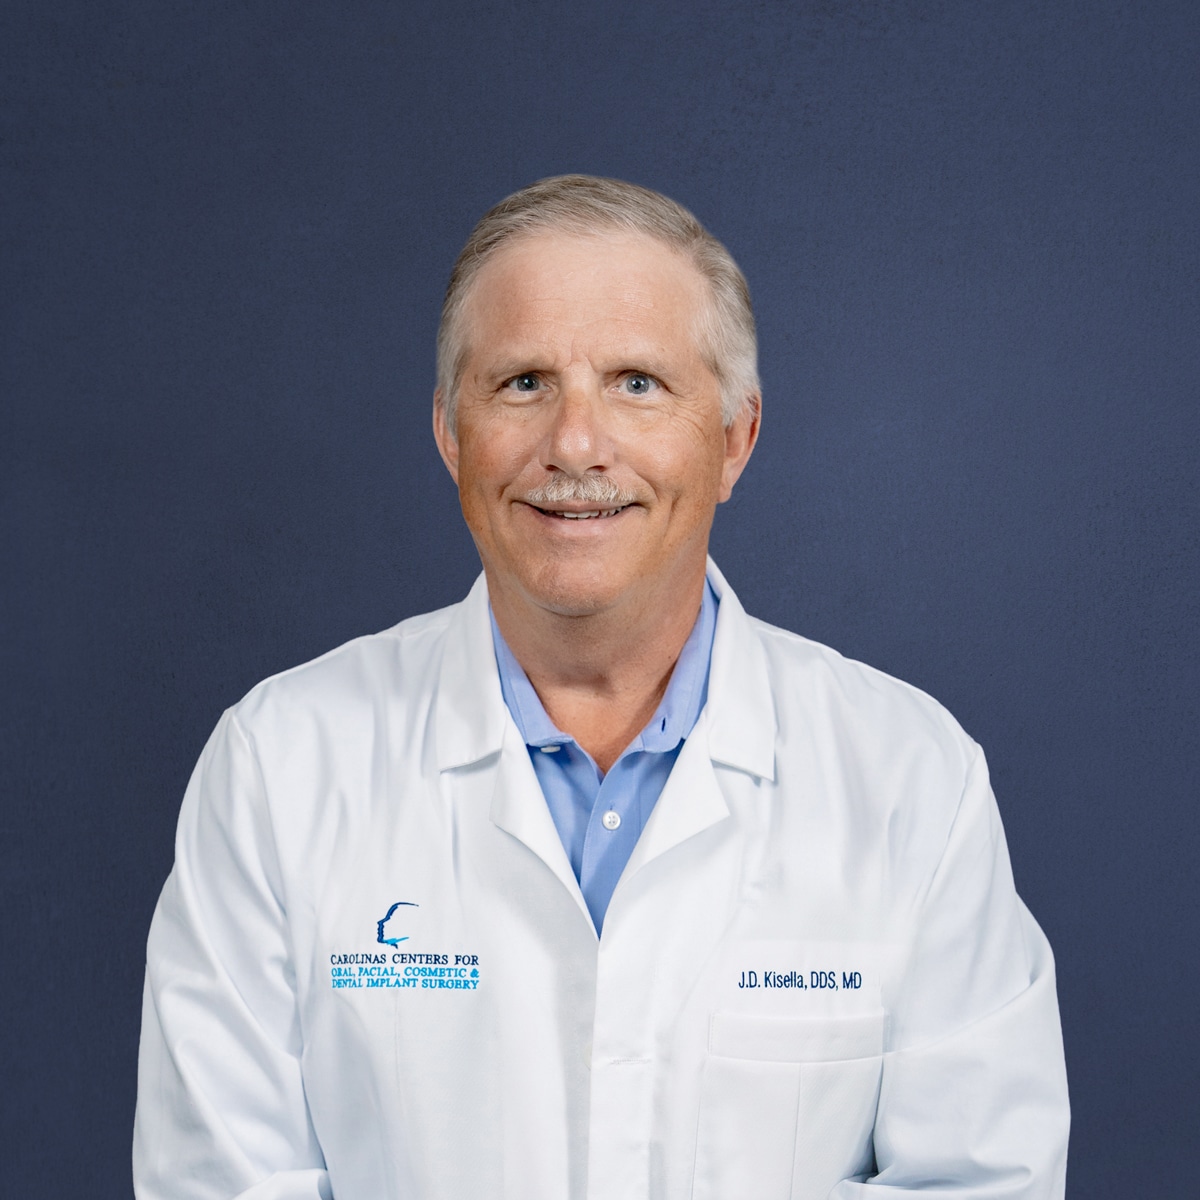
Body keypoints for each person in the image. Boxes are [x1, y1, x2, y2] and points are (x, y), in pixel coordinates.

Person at [133, 175, 1069, 1199]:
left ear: (733, 439)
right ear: (452, 433)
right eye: (524, 382)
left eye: (637, 383)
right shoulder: (280, 766)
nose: (576, 446)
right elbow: (214, 1181)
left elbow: (985, 1182)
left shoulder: (908, 781)